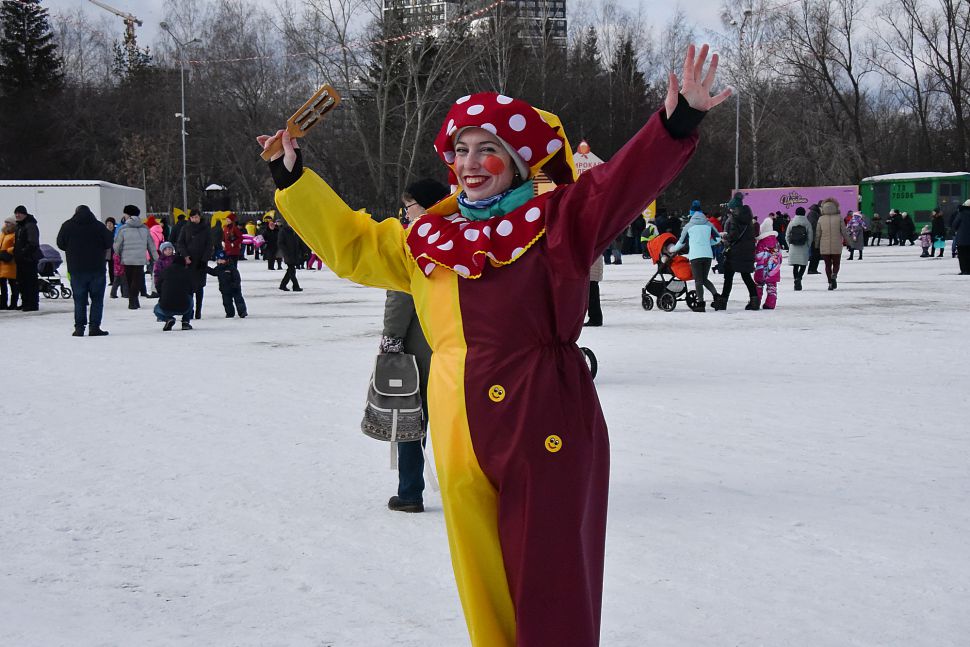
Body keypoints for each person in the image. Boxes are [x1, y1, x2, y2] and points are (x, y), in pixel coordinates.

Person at [259, 44, 728, 647]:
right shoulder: (426, 237)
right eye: (461, 149)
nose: (471, 163)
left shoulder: (559, 218)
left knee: (550, 582)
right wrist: (293, 179)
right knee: (482, 582)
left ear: (518, 159)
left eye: (488, 149)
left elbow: (618, 186)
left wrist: (675, 125)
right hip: (457, 426)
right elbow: (352, 245)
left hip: (542, 415)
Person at [383, 178, 447, 512]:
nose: (405, 213)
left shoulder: (415, 242)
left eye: (408, 206)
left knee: (411, 419)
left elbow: (400, 295)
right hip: (454, 346)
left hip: (419, 348)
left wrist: (391, 339)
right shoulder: (460, 234)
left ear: (423, 206)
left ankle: (409, 492)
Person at [56, 205, 114, 336]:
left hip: (76, 268)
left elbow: (60, 243)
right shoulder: (99, 226)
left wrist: (72, 248)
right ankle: (94, 327)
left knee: (79, 299)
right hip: (97, 268)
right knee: (97, 299)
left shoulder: (67, 226)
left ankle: (79, 328)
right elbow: (109, 243)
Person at [670, 203, 721, 311]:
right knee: (704, 279)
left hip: (696, 256)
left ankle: (701, 304)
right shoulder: (708, 224)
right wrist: (708, 243)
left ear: (691, 214)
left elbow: (681, 242)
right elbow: (718, 238)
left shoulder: (688, 226)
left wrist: (672, 249)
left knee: (698, 280)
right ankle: (717, 297)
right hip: (707, 255)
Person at [714, 197, 758, 311]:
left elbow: (733, 235)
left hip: (735, 252)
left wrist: (725, 236)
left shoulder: (734, 218)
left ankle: (723, 302)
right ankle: (755, 301)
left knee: (728, 277)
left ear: (734, 208)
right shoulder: (749, 219)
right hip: (747, 251)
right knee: (746, 276)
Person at [113, 208, 157, 310]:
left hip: (127, 259)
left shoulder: (123, 229)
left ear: (128, 215)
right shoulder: (145, 228)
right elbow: (151, 245)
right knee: (136, 280)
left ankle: (132, 301)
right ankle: (134, 300)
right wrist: (156, 258)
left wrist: (119, 253)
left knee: (129, 280)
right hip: (140, 259)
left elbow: (117, 245)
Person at [176, 209, 213, 319]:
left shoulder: (206, 229)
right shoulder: (185, 228)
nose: (194, 219)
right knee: (189, 287)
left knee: (200, 287)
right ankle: (189, 310)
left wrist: (204, 259)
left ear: (200, 217)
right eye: (192, 217)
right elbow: (180, 243)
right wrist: (185, 255)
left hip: (201, 261)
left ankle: (198, 310)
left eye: (196, 217)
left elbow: (209, 245)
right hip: (189, 261)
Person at [154, 253, 195, 330]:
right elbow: (192, 288)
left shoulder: (165, 271)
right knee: (190, 299)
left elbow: (158, 285)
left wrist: (162, 295)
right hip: (184, 306)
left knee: (156, 310)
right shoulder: (187, 272)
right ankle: (185, 322)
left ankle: (168, 319)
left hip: (166, 306)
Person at [815, 197, 849, 290]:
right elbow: (844, 232)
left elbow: (818, 234)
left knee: (827, 265)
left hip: (824, 246)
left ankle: (830, 282)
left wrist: (816, 245)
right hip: (836, 245)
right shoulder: (839, 218)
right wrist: (849, 242)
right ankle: (834, 274)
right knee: (836, 263)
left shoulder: (821, 219)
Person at [12, 205, 41, 311]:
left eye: (19, 213)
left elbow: (33, 243)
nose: (17, 215)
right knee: (22, 282)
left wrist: (23, 252)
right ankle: (25, 302)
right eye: (16, 213)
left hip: (29, 259)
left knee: (30, 282)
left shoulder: (30, 225)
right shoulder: (19, 226)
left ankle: (32, 304)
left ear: (25, 214)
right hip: (20, 259)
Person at [206, 249, 248, 318]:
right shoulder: (218, 268)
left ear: (226, 260)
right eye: (218, 260)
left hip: (234, 288)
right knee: (227, 302)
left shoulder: (231, 268)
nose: (220, 261)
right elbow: (213, 272)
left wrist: (235, 284)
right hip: (224, 289)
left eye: (221, 259)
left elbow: (237, 278)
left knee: (239, 300)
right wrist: (206, 268)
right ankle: (230, 313)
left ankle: (242, 312)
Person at [754, 216, 783, 309]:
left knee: (758, 286)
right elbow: (780, 256)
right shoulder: (777, 242)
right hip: (774, 270)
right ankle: (770, 304)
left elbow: (758, 256)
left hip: (762, 269)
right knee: (772, 287)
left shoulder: (762, 243)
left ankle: (756, 302)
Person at [785, 206, 813, 291]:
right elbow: (810, 236)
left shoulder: (792, 222)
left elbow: (787, 235)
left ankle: (795, 279)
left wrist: (790, 245)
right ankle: (799, 278)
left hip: (793, 246)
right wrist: (808, 245)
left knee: (795, 266)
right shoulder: (807, 223)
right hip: (803, 247)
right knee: (803, 265)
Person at [276, 219, 303, 291]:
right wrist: (286, 251)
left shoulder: (295, 231)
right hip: (288, 253)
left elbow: (298, 242)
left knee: (290, 270)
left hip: (294, 253)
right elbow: (280, 243)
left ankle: (283, 285)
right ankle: (295, 286)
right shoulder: (283, 231)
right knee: (292, 270)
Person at [0, 216, 17, 309]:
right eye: (5, 222)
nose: (6, 224)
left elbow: (16, 246)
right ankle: (3, 303)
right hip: (2, 263)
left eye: (9, 222)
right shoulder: (3, 234)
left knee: (13, 284)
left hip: (10, 262)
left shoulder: (14, 234)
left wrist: (8, 251)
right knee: (2, 285)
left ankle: (13, 303)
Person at [952, 199, 970, 274]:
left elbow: (954, 224)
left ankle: (964, 270)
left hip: (961, 239)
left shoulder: (961, 213)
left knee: (962, 256)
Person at [806, 202, 822, 275]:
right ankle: (812, 269)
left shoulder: (815, 213)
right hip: (814, 237)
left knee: (816, 254)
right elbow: (812, 224)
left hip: (816, 236)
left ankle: (813, 269)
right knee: (815, 254)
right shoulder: (813, 213)